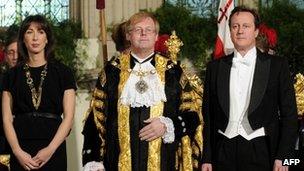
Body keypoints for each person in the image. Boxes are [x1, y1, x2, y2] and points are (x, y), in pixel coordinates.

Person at [82, 11, 203, 171]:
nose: (144, 33)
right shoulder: (111, 72)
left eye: (149, 30)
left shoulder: (173, 72)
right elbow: (95, 119)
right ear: (128, 35)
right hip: (116, 164)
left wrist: (168, 125)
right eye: (138, 29)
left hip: (164, 163)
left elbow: (193, 116)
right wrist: (93, 160)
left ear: (156, 36)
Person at [202, 6, 298, 171]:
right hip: (223, 151)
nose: (240, 31)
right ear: (230, 31)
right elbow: (209, 117)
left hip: (263, 151)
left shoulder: (277, 65)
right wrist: (207, 158)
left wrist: (284, 157)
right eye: (235, 26)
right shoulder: (215, 67)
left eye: (246, 26)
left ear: (255, 31)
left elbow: (290, 115)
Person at [2, 14, 76, 170]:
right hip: (21, 147)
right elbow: (7, 118)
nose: (35, 37)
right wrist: (17, 151)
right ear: (23, 39)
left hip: (53, 145)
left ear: (47, 38)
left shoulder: (63, 73)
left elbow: (68, 117)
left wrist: (50, 150)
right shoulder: (11, 75)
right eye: (29, 32)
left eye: (40, 32)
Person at [0, 29, 18, 171]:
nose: (15, 57)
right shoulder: (2, 80)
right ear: (5, 55)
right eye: (10, 52)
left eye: (18, 52)